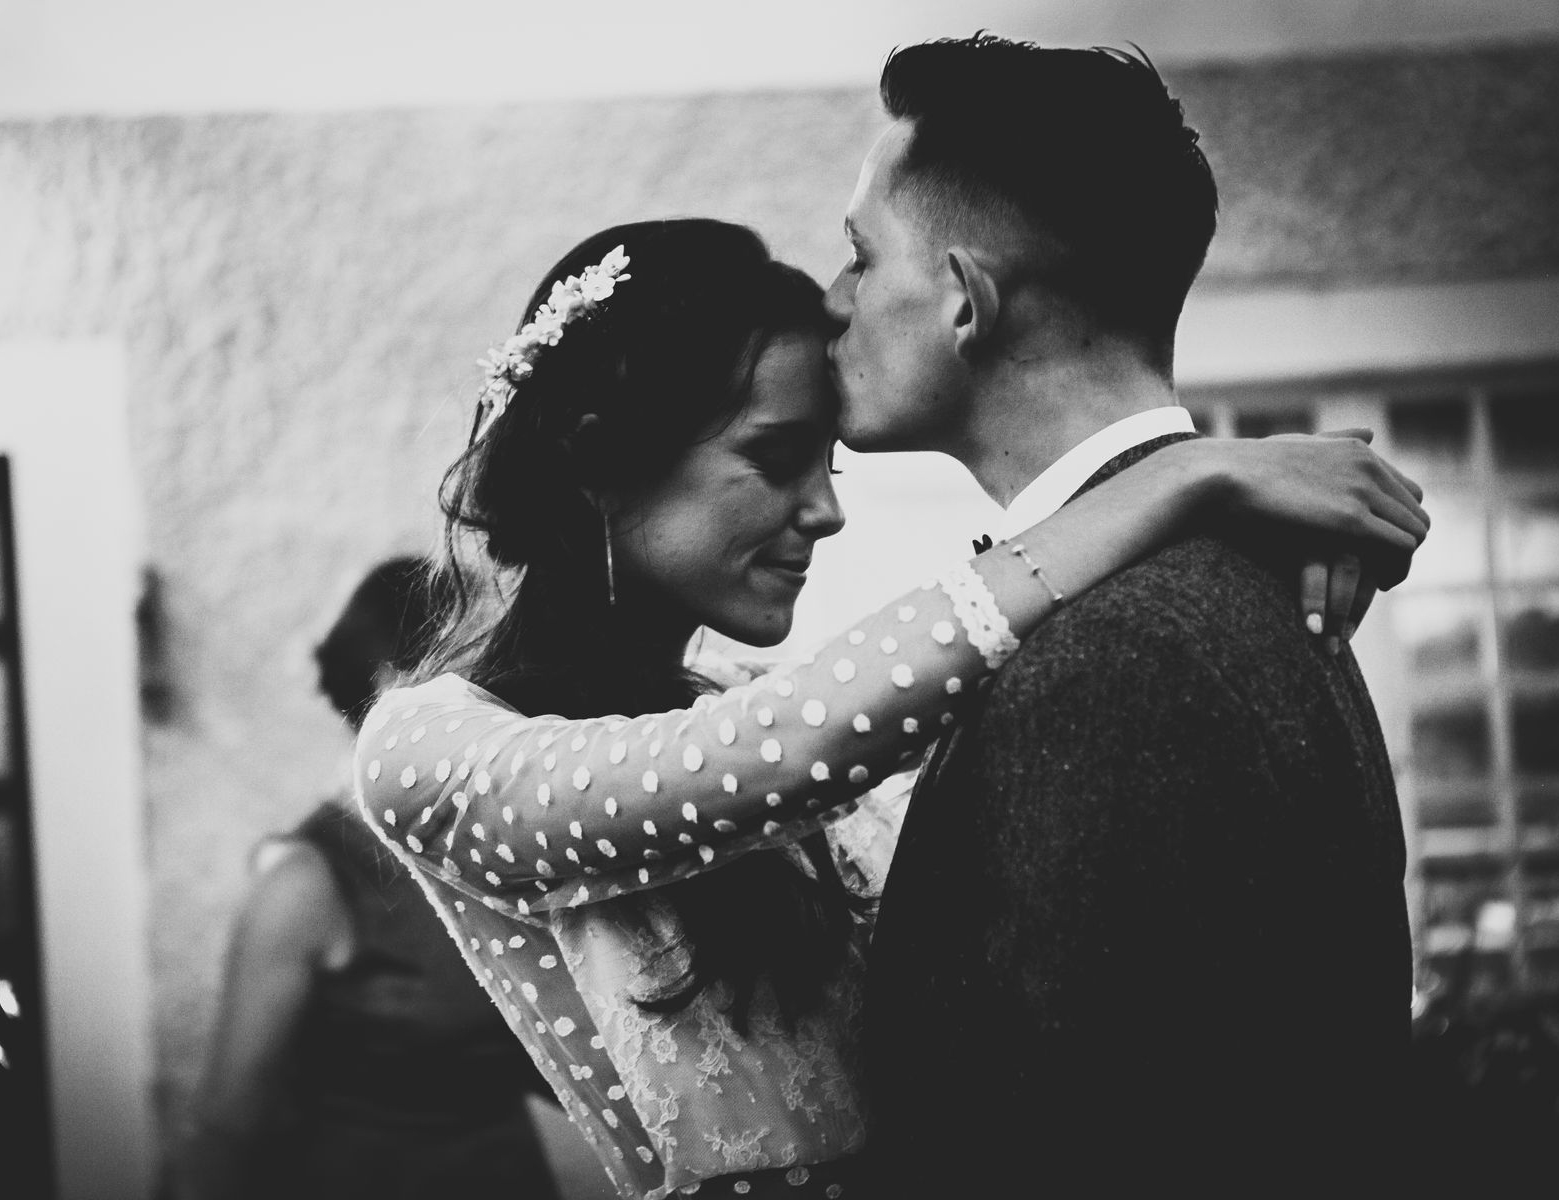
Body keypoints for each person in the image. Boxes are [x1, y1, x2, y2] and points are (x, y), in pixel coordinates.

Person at [351, 218, 1427, 1198]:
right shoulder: (425, 750)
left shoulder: (747, 698)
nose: (824, 511)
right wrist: (1187, 480)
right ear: (598, 458)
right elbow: (780, 751)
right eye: (775, 459)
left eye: (825, 462)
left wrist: (1239, 553)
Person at [827, 37, 1418, 1195]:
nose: (832, 301)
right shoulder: (1232, 574)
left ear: (963, 299)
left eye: (859, 256)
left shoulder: (1111, 653)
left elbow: (1087, 1135)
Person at [174, 556, 562, 1200]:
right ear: (396, 690)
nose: (509, 691)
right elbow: (225, 1128)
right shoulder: (309, 884)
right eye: (483, 667)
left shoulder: (496, 858)